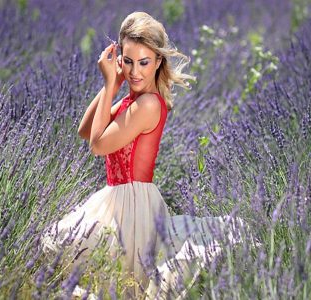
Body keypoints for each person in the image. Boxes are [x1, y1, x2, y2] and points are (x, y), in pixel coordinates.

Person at [40, 11, 255, 299]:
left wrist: (108, 86)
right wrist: (112, 85)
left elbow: (97, 146)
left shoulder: (149, 104)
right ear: (119, 60)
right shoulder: (133, 100)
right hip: (115, 200)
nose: (134, 72)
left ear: (158, 62)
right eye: (127, 62)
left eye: (143, 62)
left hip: (134, 207)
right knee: (63, 250)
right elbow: (85, 130)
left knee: (106, 274)